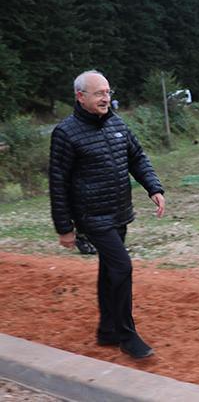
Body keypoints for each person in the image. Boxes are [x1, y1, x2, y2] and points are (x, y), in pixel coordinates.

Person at [49, 70, 166, 359]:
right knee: (122, 267)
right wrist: (65, 227)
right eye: (99, 93)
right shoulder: (65, 133)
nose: (106, 98)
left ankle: (107, 330)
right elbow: (58, 183)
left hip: (118, 211)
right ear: (81, 96)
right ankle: (127, 336)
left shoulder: (117, 124)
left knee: (109, 270)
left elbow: (136, 157)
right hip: (91, 216)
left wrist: (153, 186)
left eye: (108, 92)